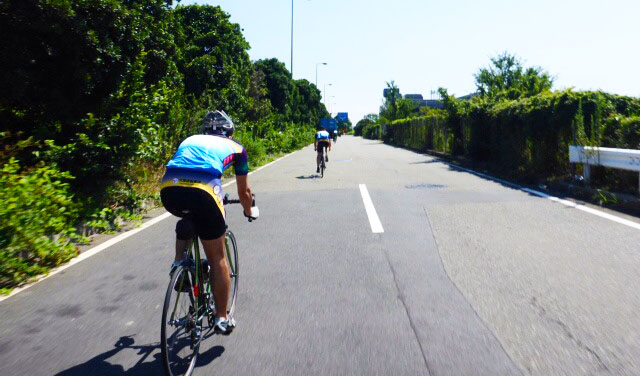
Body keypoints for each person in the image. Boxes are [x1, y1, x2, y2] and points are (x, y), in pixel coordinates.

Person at [160, 110, 258, 334]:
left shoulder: (190, 139)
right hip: (205, 193)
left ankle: (179, 263)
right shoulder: (237, 149)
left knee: (189, 213)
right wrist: (249, 210)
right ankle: (221, 317)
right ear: (229, 132)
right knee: (217, 257)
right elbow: (244, 192)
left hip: (169, 190)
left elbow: (187, 169)